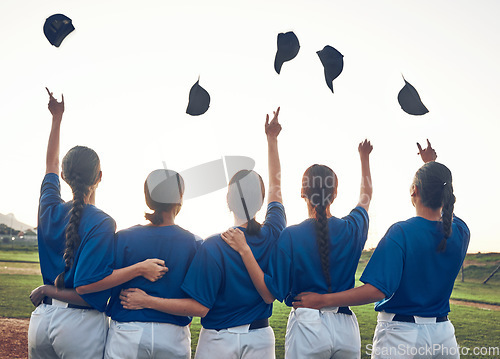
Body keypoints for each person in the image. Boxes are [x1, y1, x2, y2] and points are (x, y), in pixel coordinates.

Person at [120, 107, 286, 359]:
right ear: (261, 202)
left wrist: (148, 300)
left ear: (228, 200)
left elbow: (200, 307)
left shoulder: (212, 246)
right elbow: (277, 188)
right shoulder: (273, 231)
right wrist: (272, 140)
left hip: (218, 340)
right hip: (260, 337)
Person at [293, 140, 470, 359]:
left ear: (414, 190)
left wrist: (323, 300)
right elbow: (447, 208)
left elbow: (377, 290)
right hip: (444, 337)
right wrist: (432, 166)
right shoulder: (461, 231)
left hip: (401, 336)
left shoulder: (401, 233)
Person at [28, 88, 167, 359]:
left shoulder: (49, 207)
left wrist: (56, 119)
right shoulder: (101, 221)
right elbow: (90, 282)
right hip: (78, 324)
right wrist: (139, 268)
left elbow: (50, 164)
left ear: (65, 177)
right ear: (100, 176)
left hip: (41, 320)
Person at [220, 139, 373, 359]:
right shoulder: (352, 228)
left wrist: (245, 250)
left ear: (303, 193)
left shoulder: (290, 236)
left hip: (307, 324)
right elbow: (366, 196)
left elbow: (269, 292)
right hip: (346, 327)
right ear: (335, 193)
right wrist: (364, 158)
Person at [104, 169, 201, 359]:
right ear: (179, 199)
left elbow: (101, 281)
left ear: (148, 199)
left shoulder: (123, 238)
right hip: (173, 336)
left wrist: (146, 300)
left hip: (128, 332)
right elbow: (199, 306)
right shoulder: (194, 244)